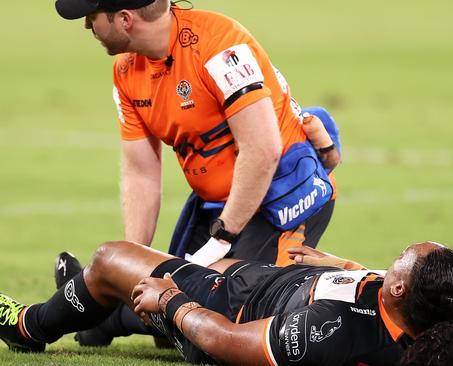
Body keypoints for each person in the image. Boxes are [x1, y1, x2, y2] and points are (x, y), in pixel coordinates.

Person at [55, 0, 340, 266]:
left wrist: (222, 237)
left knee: (218, 306)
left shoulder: (219, 46)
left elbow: (262, 150)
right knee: (159, 293)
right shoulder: (127, 70)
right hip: (216, 204)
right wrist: (132, 261)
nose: (87, 25)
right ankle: (77, 301)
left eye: (92, 17)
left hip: (282, 195)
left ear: (124, 19)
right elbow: (141, 171)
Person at [0, 241, 453, 365]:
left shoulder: (331, 331)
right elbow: (379, 287)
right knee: (198, 267)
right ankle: (97, 314)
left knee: (111, 258)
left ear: (399, 290)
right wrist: (343, 267)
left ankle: (30, 325)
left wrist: (174, 305)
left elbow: (226, 341)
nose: (394, 258)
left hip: (232, 311)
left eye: (402, 257)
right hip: (268, 284)